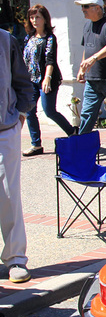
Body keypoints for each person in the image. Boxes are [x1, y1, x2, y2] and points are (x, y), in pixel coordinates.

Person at [0, 26, 34, 283]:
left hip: (4, 128)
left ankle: (15, 259)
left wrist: (21, 113)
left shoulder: (5, 39)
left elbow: (22, 80)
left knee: (8, 195)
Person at [21, 4, 76, 156]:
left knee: (49, 110)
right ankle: (36, 144)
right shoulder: (29, 38)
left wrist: (47, 78)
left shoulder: (50, 38)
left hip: (47, 79)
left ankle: (72, 132)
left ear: (45, 19)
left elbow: (50, 60)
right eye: (32, 17)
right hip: (30, 80)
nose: (34, 20)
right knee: (29, 111)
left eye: (37, 17)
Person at [75, 0, 106, 135]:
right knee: (87, 115)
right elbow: (87, 49)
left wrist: (94, 58)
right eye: (82, 7)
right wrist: (81, 69)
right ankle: (82, 147)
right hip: (92, 80)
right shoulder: (87, 25)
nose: (83, 9)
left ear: (97, 8)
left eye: (85, 6)